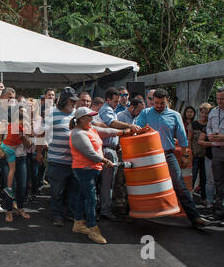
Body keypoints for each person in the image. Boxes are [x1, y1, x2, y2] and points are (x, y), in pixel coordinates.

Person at [135, 88, 211, 228]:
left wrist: (185, 155)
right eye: (156, 102)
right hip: (149, 156)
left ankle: (195, 217)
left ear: (167, 101)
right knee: (142, 185)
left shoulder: (174, 115)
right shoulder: (145, 113)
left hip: (168, 155)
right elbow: (136, 131)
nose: (158, 105)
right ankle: (135, 213)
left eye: (162, 103)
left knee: (179, 184)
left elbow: (182, 137)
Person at [70, 107, 132, 243]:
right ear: (80, 119)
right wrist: (105, 160)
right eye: (89, 117)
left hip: (91, 169)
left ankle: (78, 223)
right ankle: (93, 229)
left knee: (82, 195)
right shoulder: (78, 133)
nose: (92, 119)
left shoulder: (90, 129)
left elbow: (107, 131)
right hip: (84, 169)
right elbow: (90, 153)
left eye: (92, 117)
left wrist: (123, 132)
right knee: (91, 199)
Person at [36, 87, 78, 226]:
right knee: (57, 191)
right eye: (72, 100)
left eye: (75, 100)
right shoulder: (52, 114)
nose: (74, 103)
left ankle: (71, 213)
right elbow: (41, 134)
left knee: (73, 190)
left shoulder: (77, 114)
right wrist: (38, 153)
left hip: (75, 161)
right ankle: (57, 215)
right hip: (57, 161)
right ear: (65, 100)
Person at [98, 88, 141, 220]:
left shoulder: (111, 110)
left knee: (107, 182)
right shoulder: (106, 110)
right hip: (107, 149)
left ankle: (104, 207)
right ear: (108, 100)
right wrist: (129, 126)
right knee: (107, 183)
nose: (117, 103)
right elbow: (112, 123)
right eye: (115, 101)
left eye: (118, 101)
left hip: (111, 149)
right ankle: (105, 210)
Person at [206, 87, 224, 221]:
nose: (219, 101)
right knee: (218, 182)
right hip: (216, 151)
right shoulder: (213, 111)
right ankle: (218, 213)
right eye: (218, 98)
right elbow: (208, 127)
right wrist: (210, 135)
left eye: (222, 99)